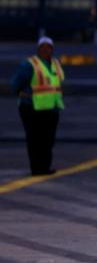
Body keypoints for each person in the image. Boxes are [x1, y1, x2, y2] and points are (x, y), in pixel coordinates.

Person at [11, 36, 65, 175]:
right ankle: (37, 169)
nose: (46, 49)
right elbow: (15, 84)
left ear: (52, 49)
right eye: (43, 47)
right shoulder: (29, 65)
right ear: (38, 49)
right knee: (35, 140)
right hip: (32, 108)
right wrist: (25, 96)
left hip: (51, 108)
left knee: (48, 140)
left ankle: (45, 167)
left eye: (49, 47)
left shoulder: (55, 64)